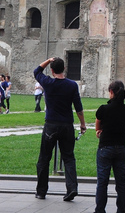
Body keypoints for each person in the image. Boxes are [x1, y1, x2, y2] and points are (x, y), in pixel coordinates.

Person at [33, 56, 86, 201]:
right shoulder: (72, 85)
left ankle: (41, 191)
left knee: (44, 158)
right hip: (67, 125)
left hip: (51, 124)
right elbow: (78, 108)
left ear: (51, 70)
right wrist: (82, 124)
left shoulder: (48, 82)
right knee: (68, 157)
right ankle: (72, 188)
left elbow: (36, 71)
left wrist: (48, 60)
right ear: (64, 69)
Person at [94, 80, 125, 213]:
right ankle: (122, 210)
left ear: (111, 92)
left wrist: (98, 131)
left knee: (102, 182)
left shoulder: (103, 109)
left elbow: (97, 124)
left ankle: (100, 210)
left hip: (106, 147)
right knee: (121, 182)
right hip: (121, 147)